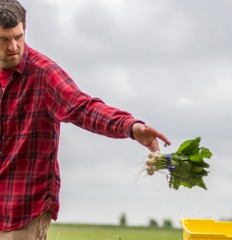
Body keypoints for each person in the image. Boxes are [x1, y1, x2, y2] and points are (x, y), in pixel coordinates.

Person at [0, 0, 171, 239]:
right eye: (4, 39)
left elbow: (83, 107)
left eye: (19, 36)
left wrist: (130, 126)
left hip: (25, 205)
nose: (14, 46)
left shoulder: (44, 74)